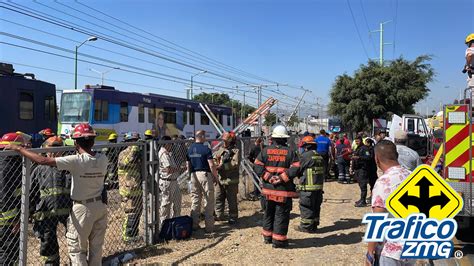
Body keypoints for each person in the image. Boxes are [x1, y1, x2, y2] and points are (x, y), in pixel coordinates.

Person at [7, 123, 108, 265]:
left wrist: (18, 148)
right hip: (99, 207)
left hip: (82, 210)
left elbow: (42, 160)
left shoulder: (75, 162)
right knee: (96, 247)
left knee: (77, 249)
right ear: (93, 141)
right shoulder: (103, 159)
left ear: (75, 143)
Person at [366, 140, 414, 266]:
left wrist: (370, 253)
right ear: (396, 156)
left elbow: (377, 221)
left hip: (391, 251)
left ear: (376, 159)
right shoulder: (412, 176)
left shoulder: (383, 182)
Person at [254, 125, 300, 248]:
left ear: (273, 138)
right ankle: (278, 240)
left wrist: (268, 177)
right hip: (283, 191)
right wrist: (281, 178)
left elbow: (257, 165)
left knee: (268, 213)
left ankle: (267, 237)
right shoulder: (290, 152)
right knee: (281, 215)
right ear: (285, 139)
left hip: (268, 190)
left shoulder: (265, 151)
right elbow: (296, 168)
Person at [30, 136, 72, 265]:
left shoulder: (70, 167)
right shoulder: (39, 169)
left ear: (63, 150)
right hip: (46, 213)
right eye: (51, 150)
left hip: (69, 212)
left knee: (74, 239)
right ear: (46, 151)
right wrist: (30, 211)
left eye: (57, 149)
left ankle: (75, 261)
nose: (53, 153)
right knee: (48, 241)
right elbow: (32, 192)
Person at [0, 132, 28, 265]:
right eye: (21, 148)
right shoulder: (8, 168)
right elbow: (6, 196)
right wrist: (15, 220)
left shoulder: (5, 163)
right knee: (8, 253)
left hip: (7, 220)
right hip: (7, 222)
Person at [187, 130, 218, 233]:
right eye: (205, 136)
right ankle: (209, 227)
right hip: (205, 175)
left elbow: (188, 165)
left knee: (195, 200)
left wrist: (190, 175)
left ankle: (194, 225)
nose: (206, 138)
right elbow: (212, 165)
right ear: (202, 136)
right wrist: (215, 177)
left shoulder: (190, 149)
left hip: (193, 175)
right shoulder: (206, 149)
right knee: (208, 200)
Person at [294, 136, 324, 233]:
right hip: (318, 187)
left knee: (306, 206)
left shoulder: (305, 156)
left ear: (306, 146)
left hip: (308, 188)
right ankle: (314, 225)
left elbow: (298, 169)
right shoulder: (319, 155)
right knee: (316, 206)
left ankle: (306, 227)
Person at [118, 132, 142, 242]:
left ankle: (134, 235)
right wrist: (134, 150)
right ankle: (127, 237)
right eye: (134, 141)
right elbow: (126, 163)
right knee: (130, 214)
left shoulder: (137, 154)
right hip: (127, 190)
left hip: (137, 190)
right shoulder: (123, 153)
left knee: (137, 214)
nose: (136, 144)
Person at [214, 132, 241, 224]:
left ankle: (233, 217)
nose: (224, 142)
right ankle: (219, 215)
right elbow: (215, 158)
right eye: (223, 140)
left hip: (231, 180)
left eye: (225, 140)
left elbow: (235, 163)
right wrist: (215, 164)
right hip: (220, 179)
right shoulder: (220, 149)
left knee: (231, 200)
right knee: (218, 197)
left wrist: (222, 167)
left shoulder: (235, 151)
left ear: (231, 141)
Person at [158, 136, 182, 228]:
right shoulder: (163, 153)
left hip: (174, 181)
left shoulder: (168, 153)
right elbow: (169, 170)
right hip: (167, 182)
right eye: (170, 143)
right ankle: (164, 225)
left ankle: (175, 224)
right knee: (166, 204)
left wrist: (176, 169)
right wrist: (180, 168)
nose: (172, 145)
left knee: (177, 202)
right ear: (166, 144)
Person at [352, 136, 372, 207]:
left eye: (358, 141)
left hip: (363, 169)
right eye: (356, 141)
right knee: (360, 185)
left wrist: (359, 157)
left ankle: (363, 201)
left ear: (361, 141)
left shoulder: (365, 148)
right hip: (358, 169)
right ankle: (361, 199)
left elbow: (368, 157)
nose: (357, 142)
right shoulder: (358, 148)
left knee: (363, 185)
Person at [364, 138, 378, 204]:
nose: (365, 144)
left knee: (372, 183)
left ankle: (373, 196)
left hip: (371, 168)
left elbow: (370, 158)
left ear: (368, 143)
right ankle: (372, 195)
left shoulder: (371, 149)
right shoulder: (373, 149)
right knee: (371, 183)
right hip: (372, 168)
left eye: (366, 142)